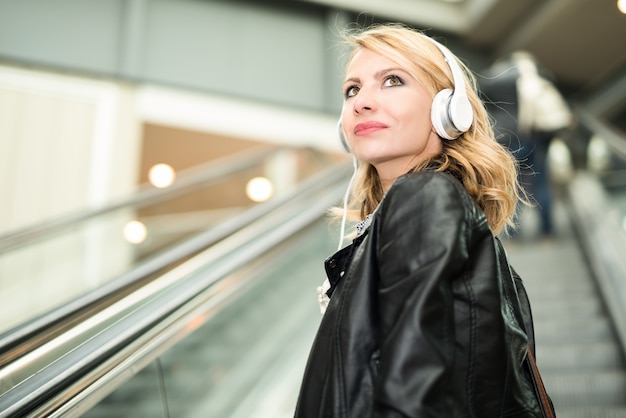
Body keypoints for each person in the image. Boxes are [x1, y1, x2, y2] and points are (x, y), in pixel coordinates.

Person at [294, 24, 555, 417]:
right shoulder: (419, 215)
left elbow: (412, 399)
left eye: (393, 80)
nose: (362, 101)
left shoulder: (424, 198)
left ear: (449, 109)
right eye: (352, 89)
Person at [481, 51, 572, 238]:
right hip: (536, 135)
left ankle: (514, 234)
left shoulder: (493, 78)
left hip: (506, 137)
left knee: (513, 184)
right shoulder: (537, 75)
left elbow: (482, 100)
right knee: (541, 183)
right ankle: (546, 232)